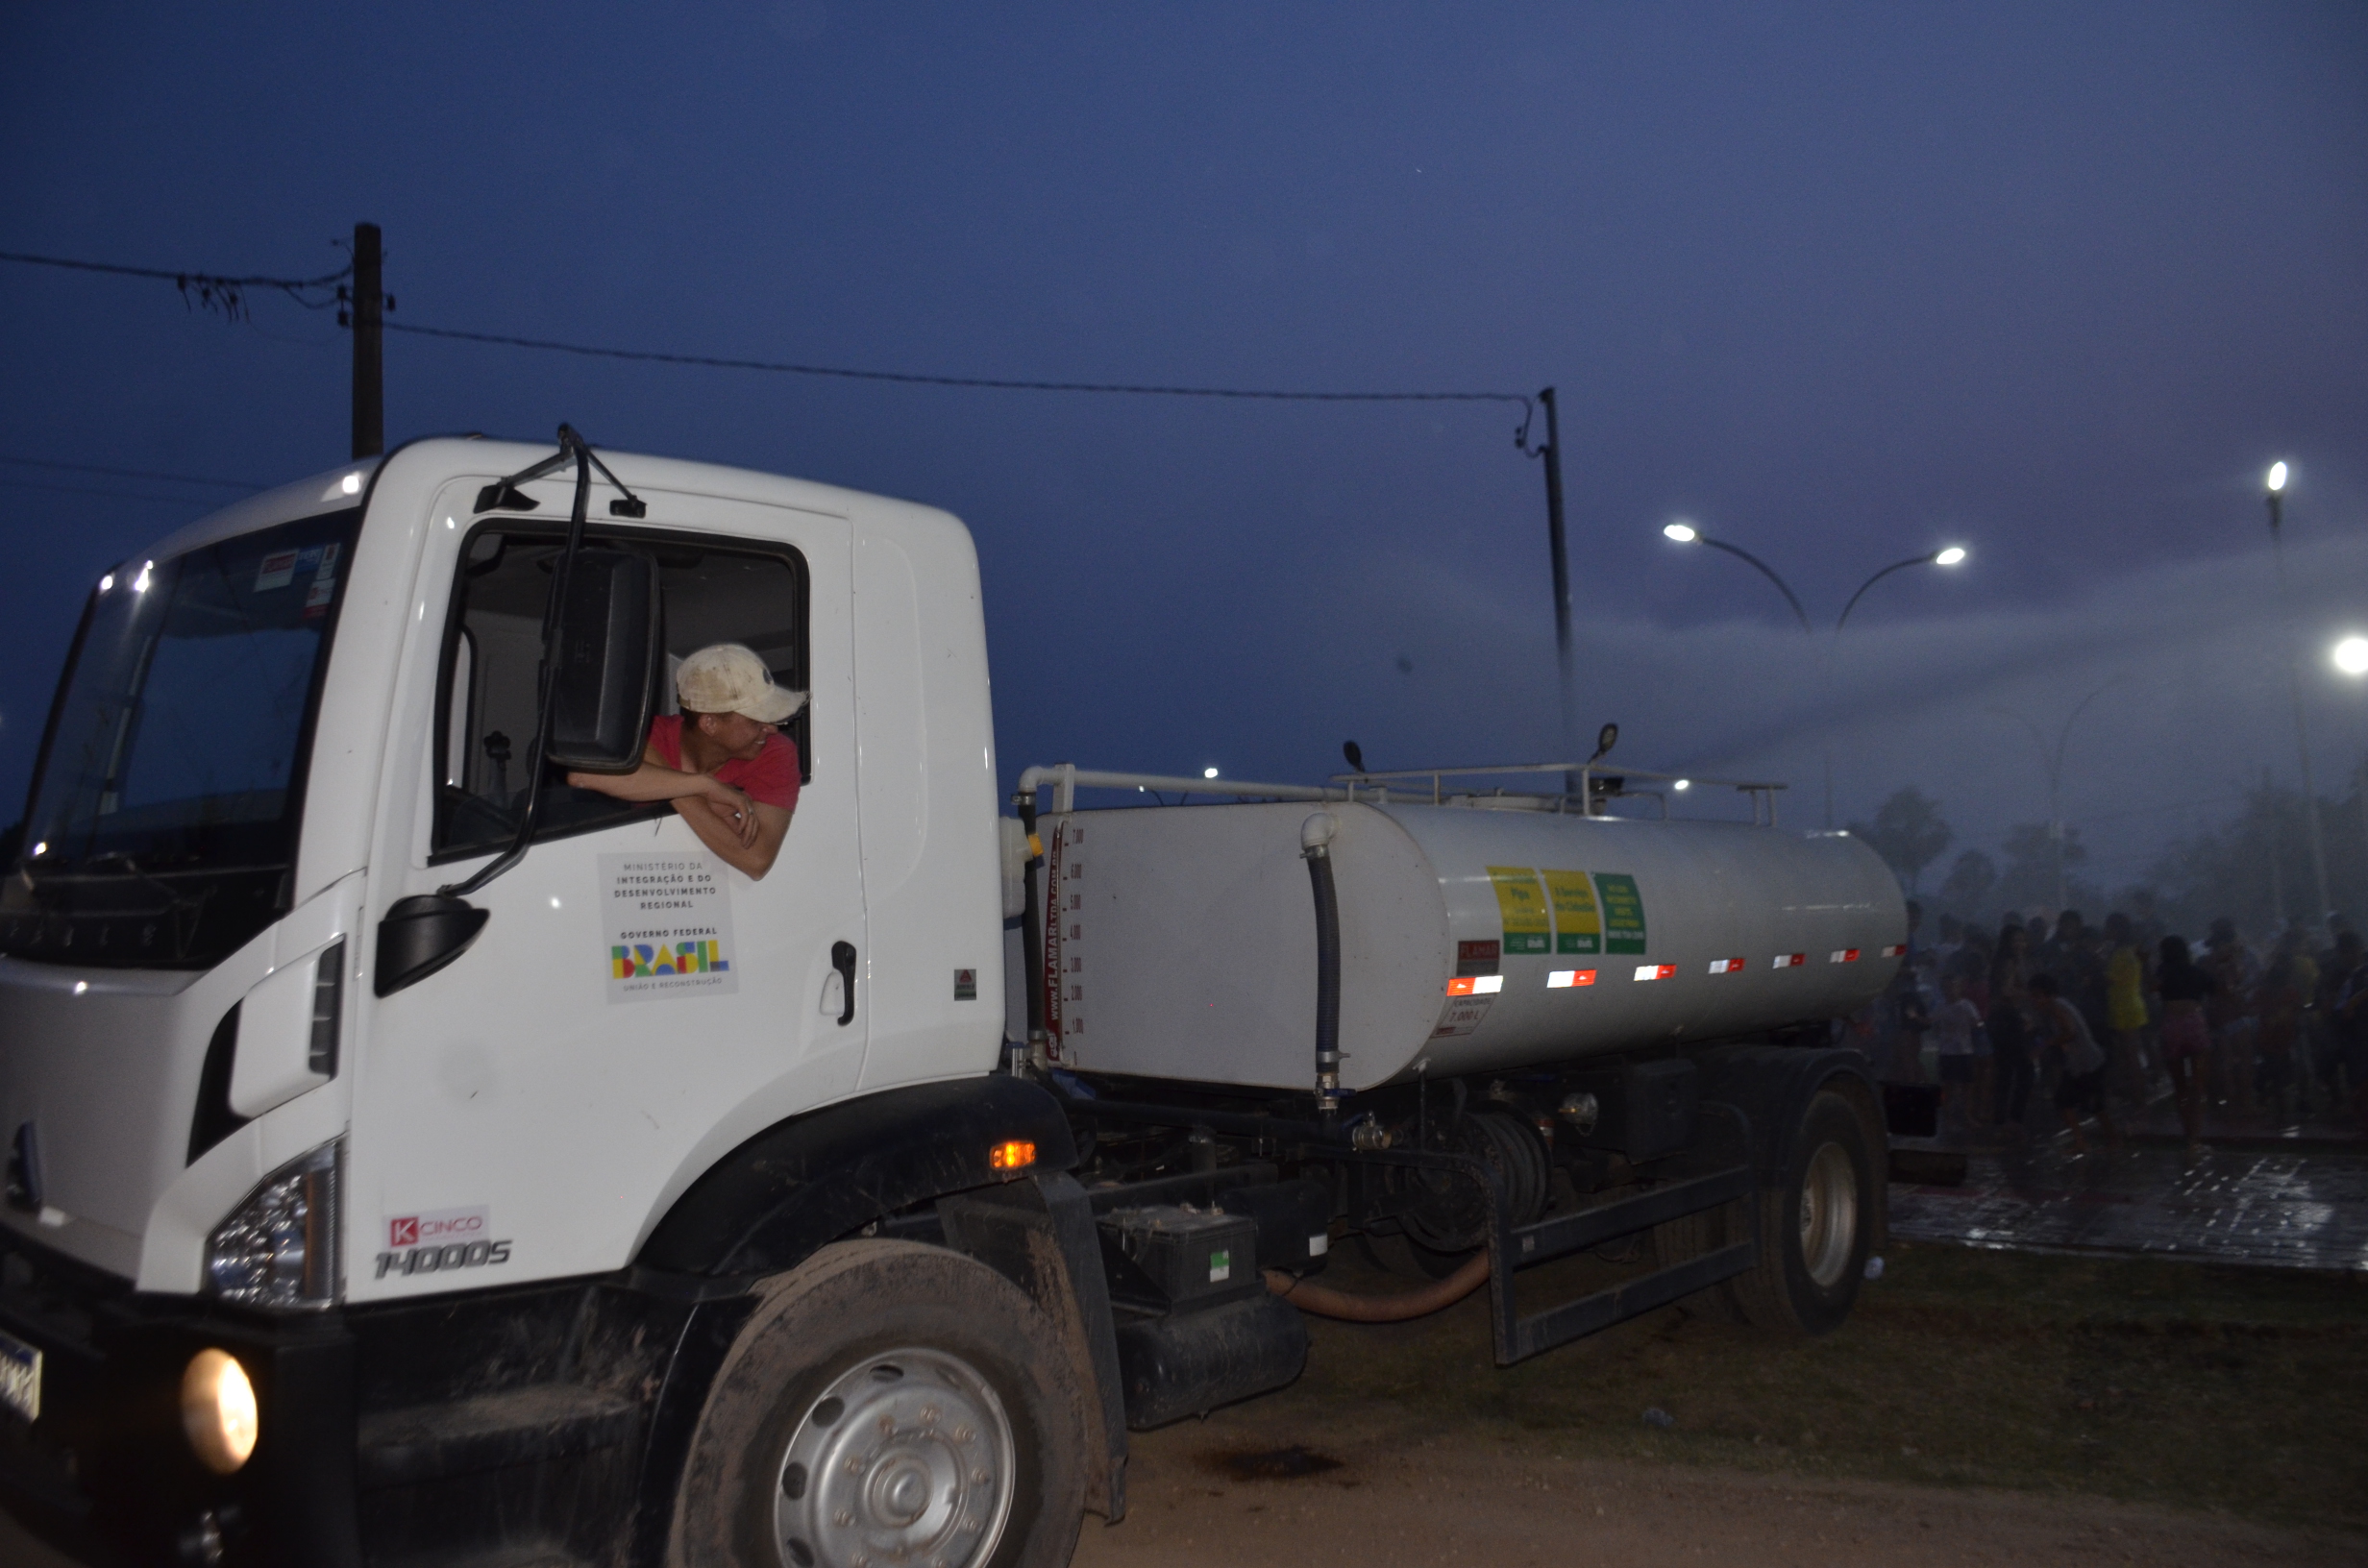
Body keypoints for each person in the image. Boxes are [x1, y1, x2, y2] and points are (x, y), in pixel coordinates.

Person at [566, 643, 803, 880]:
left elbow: (756, 860)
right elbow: (583, 775)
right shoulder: (645, 735)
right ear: (709, 724)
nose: (772, 728)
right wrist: (704, 787)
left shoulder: (775, 752)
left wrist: (672, 789)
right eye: (757, 721)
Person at [2032, 971, 2116, 1154]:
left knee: (2086, 1102)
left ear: (2047, 994)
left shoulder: (2056, 1007)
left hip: (2086, 1062)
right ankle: (2094, 1140)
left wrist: (2049, 1043)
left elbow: (2070, 1032)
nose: (2034, 1001)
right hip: (2082, 1062)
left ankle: (2102, 1141)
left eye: (2037, 996)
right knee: (2075, 1101)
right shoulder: (2057, 1005)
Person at [2157, 935, 2218, 1159]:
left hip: (2171, 1023)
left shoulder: (2162, 972)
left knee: (2179, 1086)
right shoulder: (2196, 972)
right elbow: (2216, 989)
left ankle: (2187, 1134)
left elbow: (2151, 989)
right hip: (2194, 1021)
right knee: (2198, 1086)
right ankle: (2196, 1139)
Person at [1989, 920, 2036, 1135]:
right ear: (2007, 942)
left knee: (2007, 1071)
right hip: (2005, 1020)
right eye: (2016, 940)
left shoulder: (2016, 961)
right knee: (2024, 1069)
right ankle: (2013, 1118)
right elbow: (2006, 992)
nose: (2020, 944)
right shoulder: (2007, 962)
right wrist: (2032, 994)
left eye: (2023, 940)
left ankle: (2002, 1118)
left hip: (2007, 1018)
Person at [2103, 912, 2153, 1110]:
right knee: (2131, 1055)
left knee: (2131, 1057)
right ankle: (2137, 1099)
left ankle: (2140, 1103)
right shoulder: (2134, 949)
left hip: (2124, 1007)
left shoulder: (2121, 953)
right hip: (2133, 1003)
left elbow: (2110, 978)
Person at [1930, 971, 1983, 1131]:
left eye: (1952, 987)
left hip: (1964, 1050)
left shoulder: (1966, 1005)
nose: (1949, 991)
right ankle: (1948, 1117)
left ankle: (1966, 1115)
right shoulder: (1941, 1007)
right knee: (1948, 1086)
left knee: (1968, 1085)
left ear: (1958, 988)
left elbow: (1977, 1024)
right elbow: (1934, 1024)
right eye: (1945, 988)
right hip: (1947, 1052)